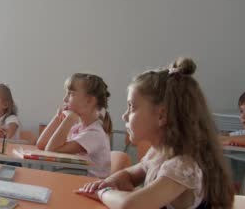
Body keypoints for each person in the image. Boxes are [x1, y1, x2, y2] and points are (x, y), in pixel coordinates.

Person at [77, 58, 234, 209]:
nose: (124, 116)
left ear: (161, 115)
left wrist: (103, 192)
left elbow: (130, 205)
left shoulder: (182, 166)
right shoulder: (158, 153)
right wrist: (113, 181)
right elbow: (130, 174)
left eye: (131, 107)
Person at [36, 73, 112, 178]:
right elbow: (41, 145)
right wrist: (58, 118)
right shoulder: (78, 128)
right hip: (76, 181)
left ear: (89, 100)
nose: (65, 99)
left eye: (71, 94)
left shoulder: (94, 134)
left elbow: (51, 150)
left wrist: (69, 120)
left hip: (88, 186)